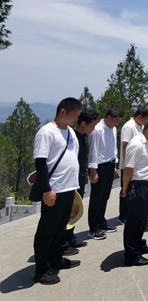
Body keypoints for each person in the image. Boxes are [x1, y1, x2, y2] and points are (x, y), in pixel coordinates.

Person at [33, 98, 83, 285]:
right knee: (47, 231)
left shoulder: (70, 132)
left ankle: (56, 260)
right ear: (63, 112)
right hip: (54, 190)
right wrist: (47, 189)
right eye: (74, 115)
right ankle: (42, 270)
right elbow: (41, 162)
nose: (76, 119)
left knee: (61, 229)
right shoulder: (46, 132)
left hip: (68, 188)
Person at [121, 118, 148, 266]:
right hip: (138, 186)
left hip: (147, 185)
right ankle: (131, 254)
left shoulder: (147, 142)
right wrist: (125, 188)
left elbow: (145, 165)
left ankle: (138, 244)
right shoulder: (136, 144)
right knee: (135, 220)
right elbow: (128, 169)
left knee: (142, 219)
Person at [63, 109, 99, 252]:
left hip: (80, 178)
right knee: (66, 211)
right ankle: (62, 243)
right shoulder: (72, 137)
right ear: (83, 123)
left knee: (75, 209)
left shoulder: (83, 137)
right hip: (70, 179)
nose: (93, 129)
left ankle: (70, 237)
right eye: (92, 126)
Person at [88, 108, 123, 239]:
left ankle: (101, 221)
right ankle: (93, 227)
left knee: (105, 196)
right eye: (115, 121)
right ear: (108, 118)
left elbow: (113, 148)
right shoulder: (97, 130)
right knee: (96, 198)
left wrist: (114, 164)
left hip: (109, 164)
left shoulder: (112, 129)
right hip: (99, 166)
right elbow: (93, 151)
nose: (116, 124)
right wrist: (93, 171)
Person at [118, 107, 148, 225]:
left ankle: (131, 212)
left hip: (137, 164)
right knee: (125, 190)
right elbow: (125, 146)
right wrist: (127, 164)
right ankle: (123, 215)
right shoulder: (129, 126)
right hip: (128, 165)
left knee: (133, 191)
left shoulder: (140, 126)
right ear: (139, 117)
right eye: (145, 119)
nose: (146, 122)